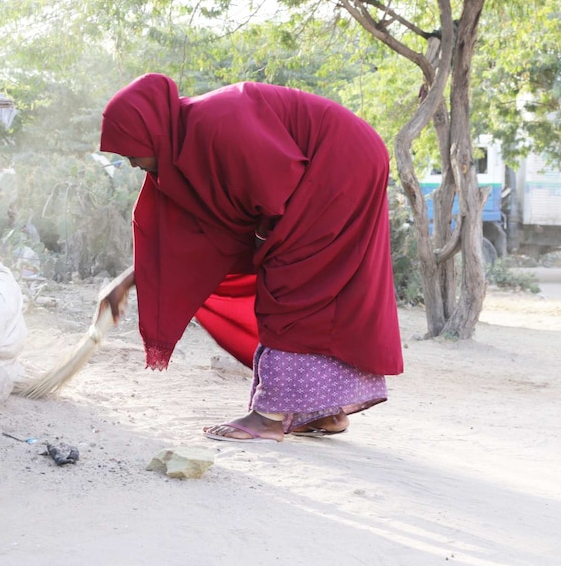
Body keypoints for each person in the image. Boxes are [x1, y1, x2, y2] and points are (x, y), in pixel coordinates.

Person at [97, 73, 403, 443]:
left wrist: (263, 243)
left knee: (291, 287)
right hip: (340, 161)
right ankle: (324, 412)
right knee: (311, 288)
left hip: (340, 162)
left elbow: (279, 184)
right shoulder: (182, 149)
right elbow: (189, 240)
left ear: (152, 132)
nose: (131, 164)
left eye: (131, 152)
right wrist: (128, 282)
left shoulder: (217, 122)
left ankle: (270, 416)